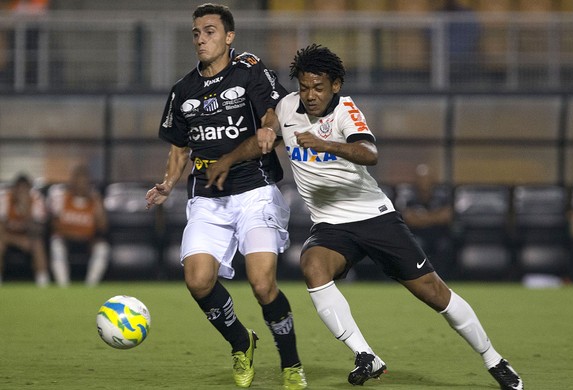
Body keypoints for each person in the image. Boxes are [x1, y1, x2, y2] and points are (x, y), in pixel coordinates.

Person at [253, 44, 522, 389]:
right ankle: (365, 355)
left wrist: (328, 145)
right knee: (313, 266)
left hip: (374, 217)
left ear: (336, 85)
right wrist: (264, 128)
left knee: (435, 293)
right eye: (304, 87)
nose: (310, 95)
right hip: (331, 224)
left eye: (318, 87)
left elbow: (370, 153)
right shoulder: (288, 107)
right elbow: (270, 125)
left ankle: (494, 360)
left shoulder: (347, 111)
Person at [144, 4, 306, 389]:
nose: (201, 39)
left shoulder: (250, 69)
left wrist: (268, 130)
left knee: (262, 284)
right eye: (197, 33)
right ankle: (241, 341)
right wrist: (168, 182)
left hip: (254, 191)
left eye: (210, 31)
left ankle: (291, 363)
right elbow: (180, 148)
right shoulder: (182, 90)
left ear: (229, 36)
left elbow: (272, 111)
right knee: (198, 281)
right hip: (207, 197)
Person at [47, 164, 109, 287]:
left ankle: (90, 286)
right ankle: (63, 285)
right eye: (78, 180)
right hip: (66, 239)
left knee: (103, 248)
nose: (81, 184)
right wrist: (74, 235)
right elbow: (54, 226)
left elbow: (103, 227)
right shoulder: (62, 198)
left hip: (87, 241)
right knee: (56, 243)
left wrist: (98, 204)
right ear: (72, 182)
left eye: (84, 181)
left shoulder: (95, 200)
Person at [400, 163, 454, 279]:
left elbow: (446, 217)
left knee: (445, 246)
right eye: (421, 179)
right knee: (417, 245)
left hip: (439, 235)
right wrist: (435, 217)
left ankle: (444, 279)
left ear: (433, 180)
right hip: (418, 236)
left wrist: (423, 217)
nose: (424, 182)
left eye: (427, 178)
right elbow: (409, 219)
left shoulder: (442, 195)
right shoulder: (409, 197)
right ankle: (419, 278)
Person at [0, 173, 49, 286]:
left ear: (29, 190)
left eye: (24, 189)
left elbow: (38, 231)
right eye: (19, 189)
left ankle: (43, 284)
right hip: (7, 237)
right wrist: (17, 240)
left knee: (38, 245)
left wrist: (27, 212)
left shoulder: (36, 200)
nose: (21, 192)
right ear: (14, 189)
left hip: (29, 238)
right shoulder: (4, 199)